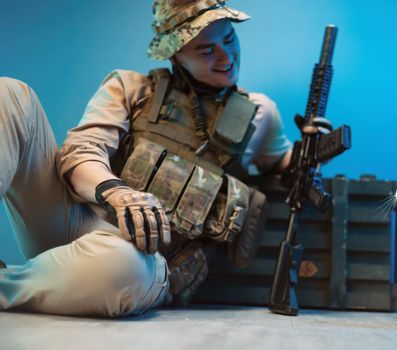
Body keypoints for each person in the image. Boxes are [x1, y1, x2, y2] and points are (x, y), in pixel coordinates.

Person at [0, 0, 329, 317]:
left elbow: (283, 165)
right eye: (206, 50)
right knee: (10, 95)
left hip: (141, 258)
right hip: (76, 221)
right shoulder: (132, 88)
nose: (226, 56)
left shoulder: (259, 114)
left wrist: (311, 148)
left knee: (121, 267)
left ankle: (7, 287)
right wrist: (117, 192)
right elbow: (81, 152)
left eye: (229, 39)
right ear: (176, 55)